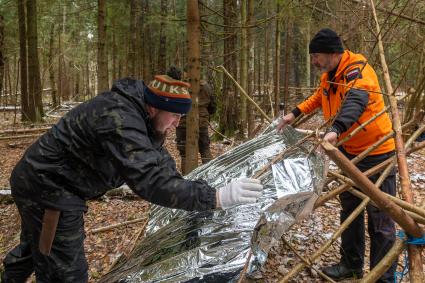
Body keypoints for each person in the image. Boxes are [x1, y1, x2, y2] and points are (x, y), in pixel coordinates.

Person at [1, 76, 263, 283]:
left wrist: (199, 191)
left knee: (38, 248)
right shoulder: (120, 118)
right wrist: (217, 197)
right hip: (49, 187)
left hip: (49, 182)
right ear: (154, 107)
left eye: (181, 117)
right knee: (65, 271)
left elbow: (162, 167)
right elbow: (151, 181)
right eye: (174, 116)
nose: (176, 123)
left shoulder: (144, 119)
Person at [277, 28, 396, 282]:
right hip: (349, 152)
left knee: (380, 216)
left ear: (332, 53)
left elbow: (356, 100)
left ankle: (383, 276)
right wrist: (294, 113)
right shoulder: (329, 75)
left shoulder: (358, 70)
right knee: (350, 209)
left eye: (316, 56)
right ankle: (351, 265)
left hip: (376, 152)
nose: (313, 61)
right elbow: (319, 98)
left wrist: (336, 129)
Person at [166, 66, 216, 174]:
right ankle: (210, 176)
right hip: (200, 122)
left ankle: (188, 178)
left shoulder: (180, 87)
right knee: (204, 149)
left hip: (183, 123)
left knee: (185, 153)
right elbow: (212, 106)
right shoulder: (206, 86)